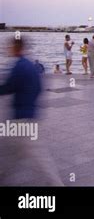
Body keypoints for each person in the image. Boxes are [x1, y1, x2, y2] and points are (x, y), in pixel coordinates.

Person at [0, 37, 63, 186]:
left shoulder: (19, 66)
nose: (7, 50)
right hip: (30, 115)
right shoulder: (31, 65)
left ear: (17, 48)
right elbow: (39, 88)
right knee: (13, 152)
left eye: (9, 47)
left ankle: (56, 184)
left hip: (22, 119)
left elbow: (7, 88)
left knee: (36, 155)